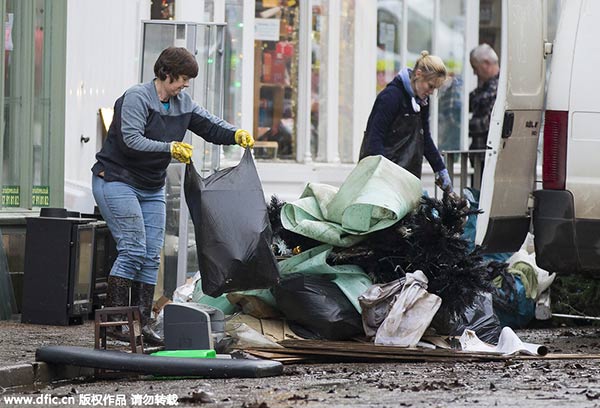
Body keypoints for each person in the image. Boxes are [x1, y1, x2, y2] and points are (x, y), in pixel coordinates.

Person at [91, 47, 254, 345]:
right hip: (116, 180)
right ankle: (116, 323)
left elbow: (209, 124)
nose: (185, 85)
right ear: (165, 74)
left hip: (151, 186)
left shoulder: (183, 103)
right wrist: (169, 148)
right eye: (182, 79)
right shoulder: (137, 98)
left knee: (151, 256)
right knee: (133, 249)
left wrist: (235, 134)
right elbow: (130, 140)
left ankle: (141, 322)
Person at [360, 50, 452, 193]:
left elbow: (424, 138)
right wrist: (385, 176)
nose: (432, 92)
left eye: (436, 89)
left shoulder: (422, 102)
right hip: (382, 178)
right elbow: (374, 139)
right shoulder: (391, 97)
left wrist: (440, 168)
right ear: (418, 74)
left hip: (407, 177)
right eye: (430, 86)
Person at [469, 43, 500, 152]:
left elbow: (490, 122)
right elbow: (468, 102)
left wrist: (464, 127)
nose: (474, 73)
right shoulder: (484, 88)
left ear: (486, 64)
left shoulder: (499, 88)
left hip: (489, 154)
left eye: (475, 68)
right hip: (480, 155)